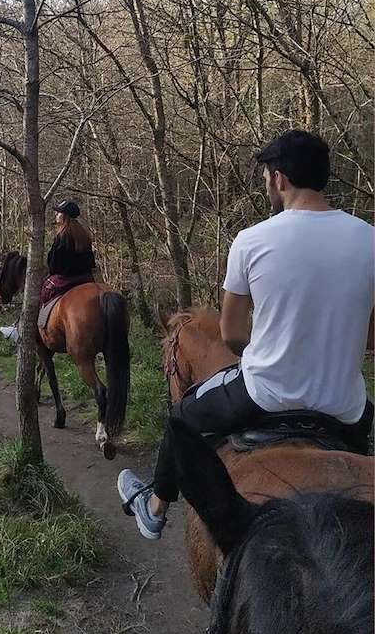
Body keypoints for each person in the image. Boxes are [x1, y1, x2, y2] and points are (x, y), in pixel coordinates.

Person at [118, 129, 375, 540]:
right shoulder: (369, 239)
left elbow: (232, 334)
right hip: (345, 406)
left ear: (279, 178)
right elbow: (370, 339)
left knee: (182, 415)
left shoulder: (251, 241)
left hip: (264, 393)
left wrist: (272, 346)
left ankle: (154, 506)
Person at [0, 199, 96, 341]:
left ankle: (22, 330)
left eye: (59, 212)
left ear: (65, 216)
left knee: (37, 295)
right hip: (86, 278)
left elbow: (54, 264)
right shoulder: (83, 235)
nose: (56, 214)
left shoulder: (62, 235)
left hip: (65, 278)